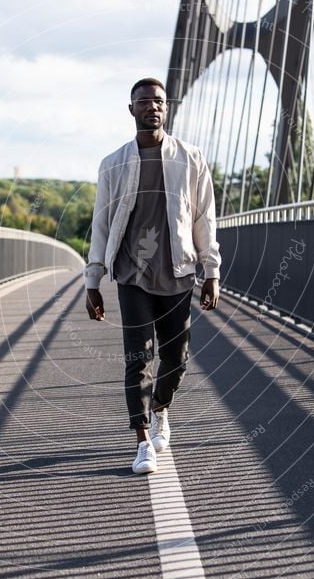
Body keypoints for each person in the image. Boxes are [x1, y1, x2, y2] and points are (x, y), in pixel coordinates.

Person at [85, 78, 221, 474]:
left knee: (176, 359)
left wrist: (211, 271)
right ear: (131, 110)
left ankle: (161, 407)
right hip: (132, 275)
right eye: (143, 102)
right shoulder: (113, 164)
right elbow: (102, 224)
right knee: (138, 357)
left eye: (158, 101)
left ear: (167, 107)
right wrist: (92, 281)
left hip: (179, 273)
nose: (152, 107)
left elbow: (203, 217)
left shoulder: (191, 158)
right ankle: (142, 440)